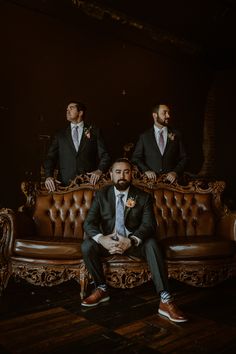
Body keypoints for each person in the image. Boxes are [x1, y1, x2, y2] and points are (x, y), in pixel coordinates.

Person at [81, 158, 188, 323]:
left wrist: (131, 240)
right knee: (87, 246)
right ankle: (101, 288)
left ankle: (165, 300)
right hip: (109, 242)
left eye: (126, 172)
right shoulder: (101, 194)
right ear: (111, 174)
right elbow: (89, 223)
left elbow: (149, 225)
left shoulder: (143, 197)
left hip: (133, 244)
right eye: (118, 172)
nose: (122, 176)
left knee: (152, 244)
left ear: (132, 174)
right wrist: (102, 239)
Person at [44, 101, 111, 191]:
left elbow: (105, 155)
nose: (67, 111)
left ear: (80, 112)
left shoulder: (94, 131)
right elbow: (50, 157)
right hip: (65, 185)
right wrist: (48, 176)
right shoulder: (60, 135)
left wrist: (100, 170)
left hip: (89, 183)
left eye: (71, 108)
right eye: (67, 109)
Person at [131, 103, 188, 183]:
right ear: (155, 115)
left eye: (168, 113)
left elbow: (184, 157)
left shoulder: (177, 135)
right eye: (164, 113)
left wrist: (175, 172)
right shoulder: (144, 137)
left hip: (172, 183)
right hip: (150, 183)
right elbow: (136, 158)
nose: (168, 116)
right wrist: (146, 170)